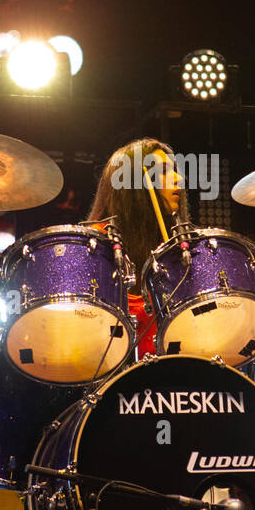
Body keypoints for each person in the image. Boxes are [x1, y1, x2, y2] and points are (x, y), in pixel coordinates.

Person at [85, 138, 189, 358]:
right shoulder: (96, 245)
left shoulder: (180, 245)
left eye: (176, 171)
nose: (179, 180)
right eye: (164, 172)